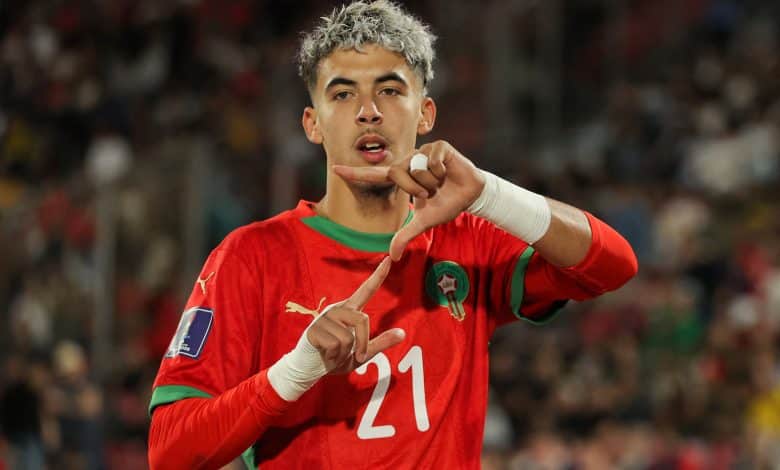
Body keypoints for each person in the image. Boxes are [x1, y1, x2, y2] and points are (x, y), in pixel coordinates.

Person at [147, 1, 638, 468]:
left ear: (425, 113)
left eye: (389, 89)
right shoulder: (250, 257)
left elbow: (613, 266)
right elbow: (169, 451)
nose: (368, 111)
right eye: (342, 94)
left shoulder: (468, 238)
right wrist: (294, 371)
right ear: (312, 124)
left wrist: (489, 194)